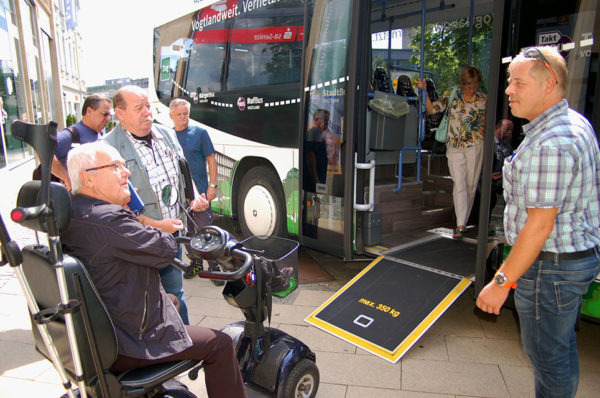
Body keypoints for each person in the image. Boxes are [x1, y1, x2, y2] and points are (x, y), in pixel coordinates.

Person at [61, 142, 247, 397]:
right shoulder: (108, 220)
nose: (126, 173)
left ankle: (155, 388)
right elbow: (165, 249)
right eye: (116, 167)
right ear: (87, 178)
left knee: (172, 301)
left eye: (124, 166)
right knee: (220, 343)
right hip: (128, 342)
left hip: (98, 331)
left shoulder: (72, 213)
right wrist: (151, 225)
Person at [476, 46, 600, 397]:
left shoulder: (552, 142)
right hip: (566, 262)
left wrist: (501, 281)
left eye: (518, 83)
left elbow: (540, 226)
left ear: (549, 84)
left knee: (548, 357)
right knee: (559, 351)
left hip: (550, 269)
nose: (508, 90)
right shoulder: (573, 123)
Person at [104, 86, 209, 325]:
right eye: (139, 108)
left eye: (148, 106)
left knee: (176, 295)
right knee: (146, 302)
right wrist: (156, 225)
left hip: (172, 237)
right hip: (138, 243)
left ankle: (185, 343)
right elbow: (115, 208)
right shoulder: (108, 149)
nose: (147, 113)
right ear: (120, 114)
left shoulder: (166, 134)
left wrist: (193, 196)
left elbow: (182, 170)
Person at [418, 67, 487, 239]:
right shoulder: (452, 93)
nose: (472, 90)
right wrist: (425, 93)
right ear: (462, 84)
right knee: (460, 184)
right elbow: (433, 110)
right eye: (468, 87)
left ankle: (463, 219)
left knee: (471, 184)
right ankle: (460, 224)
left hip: (475, 145)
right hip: (454, 145)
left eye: (475, 86)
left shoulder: (483, 99)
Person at [168, 98, 221, 282]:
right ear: (171, 116)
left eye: (186, 114)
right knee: (187, 232)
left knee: (205, 230)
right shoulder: (168, 136)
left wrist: (212, 186)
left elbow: (211, 160)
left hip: (200, 193)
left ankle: (214, 266)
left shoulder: (200, 133)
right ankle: (196, 262)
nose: (184, 117)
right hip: (178, 196)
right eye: (179, 114)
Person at [51, 94, 112, 190]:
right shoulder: (71, 134)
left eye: (109, 115)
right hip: (79, 200)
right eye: (104, 114)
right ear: (89, 111)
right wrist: (67, 178)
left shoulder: (99, 135)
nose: (108, 119)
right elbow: (44, 153)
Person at [490, 119, 513, 211]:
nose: (509, 132)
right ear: (497, 127)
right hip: (487, 185)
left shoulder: (507, 146)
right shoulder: (489, 143)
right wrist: (488, 175)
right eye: (507, 129)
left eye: (511, 130)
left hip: (500, 185)